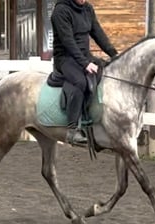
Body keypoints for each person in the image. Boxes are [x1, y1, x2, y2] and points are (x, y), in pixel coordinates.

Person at [51, 0, 118, 144]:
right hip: (65, 58)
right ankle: (72, 130)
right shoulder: (61, 11)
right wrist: (85, 63)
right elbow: (68, 41)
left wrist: (114, 54)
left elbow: (98, 33)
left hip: (84, 55)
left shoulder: (87, 9)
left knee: (105, 72)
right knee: (80, 82)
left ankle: (95, 120)